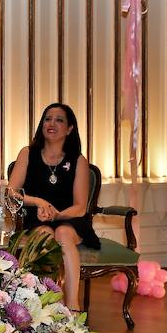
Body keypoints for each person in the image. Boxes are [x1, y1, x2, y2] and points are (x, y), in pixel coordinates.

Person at [7, 102, 100, 312]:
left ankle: (73, 306)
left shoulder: (78, 161)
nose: (52, 123)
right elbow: (11, 193)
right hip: (37, 218)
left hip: (71, 219)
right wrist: (38, 202)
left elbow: (80, 207)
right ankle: (51, 303)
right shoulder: (27, 153)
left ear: (69, 129)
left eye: (59, 120)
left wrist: (57, 215)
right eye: (48, 119)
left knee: (63, 234)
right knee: (46, 236)